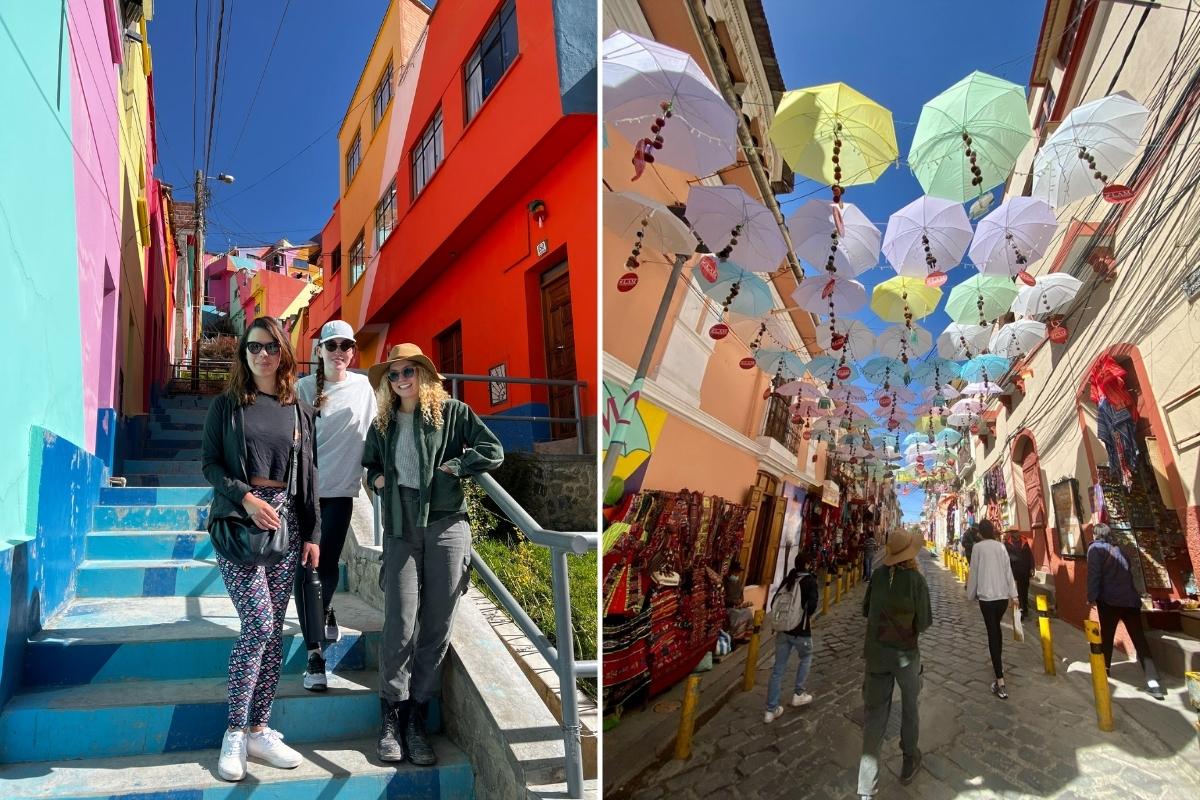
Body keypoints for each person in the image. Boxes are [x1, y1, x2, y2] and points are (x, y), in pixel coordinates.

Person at [363, 343, 504, 765]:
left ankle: (416, 718)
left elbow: (493, 450)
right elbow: (369, 466)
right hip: (402, 528)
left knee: (438, 624)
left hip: (445, 525)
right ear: (388, 382)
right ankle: (391, 714)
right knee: (401, 621)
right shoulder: (384, 422)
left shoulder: (452, 413)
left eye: (409, 372)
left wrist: (457, 467)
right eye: (394, 374)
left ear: (423, 375)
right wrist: (378, 481)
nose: (402, 379)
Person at [202, 317, 321, 782]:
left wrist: (312, 534)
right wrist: (247, 499)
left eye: (271, 346)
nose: (262, 355)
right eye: (253, 348)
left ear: (284, 352)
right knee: (259, 623)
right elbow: (210, 464)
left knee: (275, 632)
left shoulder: (298, 409)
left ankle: (259, 727)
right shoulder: (227, 406)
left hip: (284, 524)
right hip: (238, 519)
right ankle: (234, 730)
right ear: (243, 354)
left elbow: (309, 477)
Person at [294, 320, 377, 692]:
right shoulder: (305, 388)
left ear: (353, 351)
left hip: (342, 492)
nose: (339, 352)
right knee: (307, 568)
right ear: (319, 351)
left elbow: (375, 433)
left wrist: (377, 476)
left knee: (326, 565)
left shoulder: (362, 386)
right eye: (332, 345)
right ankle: (315, 654)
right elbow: (292, 440)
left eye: (346, 346)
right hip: (306, 493)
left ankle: (323, 615)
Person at [857, 529, 932, 798]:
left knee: (874, 715)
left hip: (876, 655)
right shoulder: (916, 581)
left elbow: (866, 610)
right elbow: (924, 622)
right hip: (906, 657)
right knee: (910, 707)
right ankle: (909, 758)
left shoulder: (877, 576)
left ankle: (866, 785)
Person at [1087, 523, 1164, 700]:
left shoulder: (1095, 550)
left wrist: (1091, 596)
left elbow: (1094, 575)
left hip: (1109, 601)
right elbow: (1128, 571)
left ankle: (1104, 670)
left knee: (1106, 635)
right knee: (1139, 639)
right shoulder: (1119, 550)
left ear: (1096, 535)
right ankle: (1153, 681)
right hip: (1130, 601)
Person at [764, 553, 820, 723]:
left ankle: (770, 710)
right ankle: (798, 693)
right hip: (800, 630)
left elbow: (775, 602)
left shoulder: (788, 579)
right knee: (806, 656)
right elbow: (811, 608)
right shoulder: (810, 581)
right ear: (808, 564)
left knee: (777, 670)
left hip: (783, 631)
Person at [966, 519, 1018, 700]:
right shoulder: (1000, 546)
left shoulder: (978, 548)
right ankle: (999, 665)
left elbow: (973, 572)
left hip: (987, 599)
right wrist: (1015, 595)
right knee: (996, 630)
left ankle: (1000, 681)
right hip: (1002, 597)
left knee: (992, 633)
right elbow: (1008, 571)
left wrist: (970, 595)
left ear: (980, 532)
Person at [1005, 531, 1034, 616]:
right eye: (1014, 532)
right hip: (1014, 571)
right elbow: (1006, 558)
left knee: (1024, 590)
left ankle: (1025, 608)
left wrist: (1032, 567)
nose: (1016, 534)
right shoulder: (1007, 544)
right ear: (1011, 533)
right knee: (1018, 591)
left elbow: (1030, 555)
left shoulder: (1024, 541)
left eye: (1017, 532)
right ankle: (1020, 610)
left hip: (1025, 570)